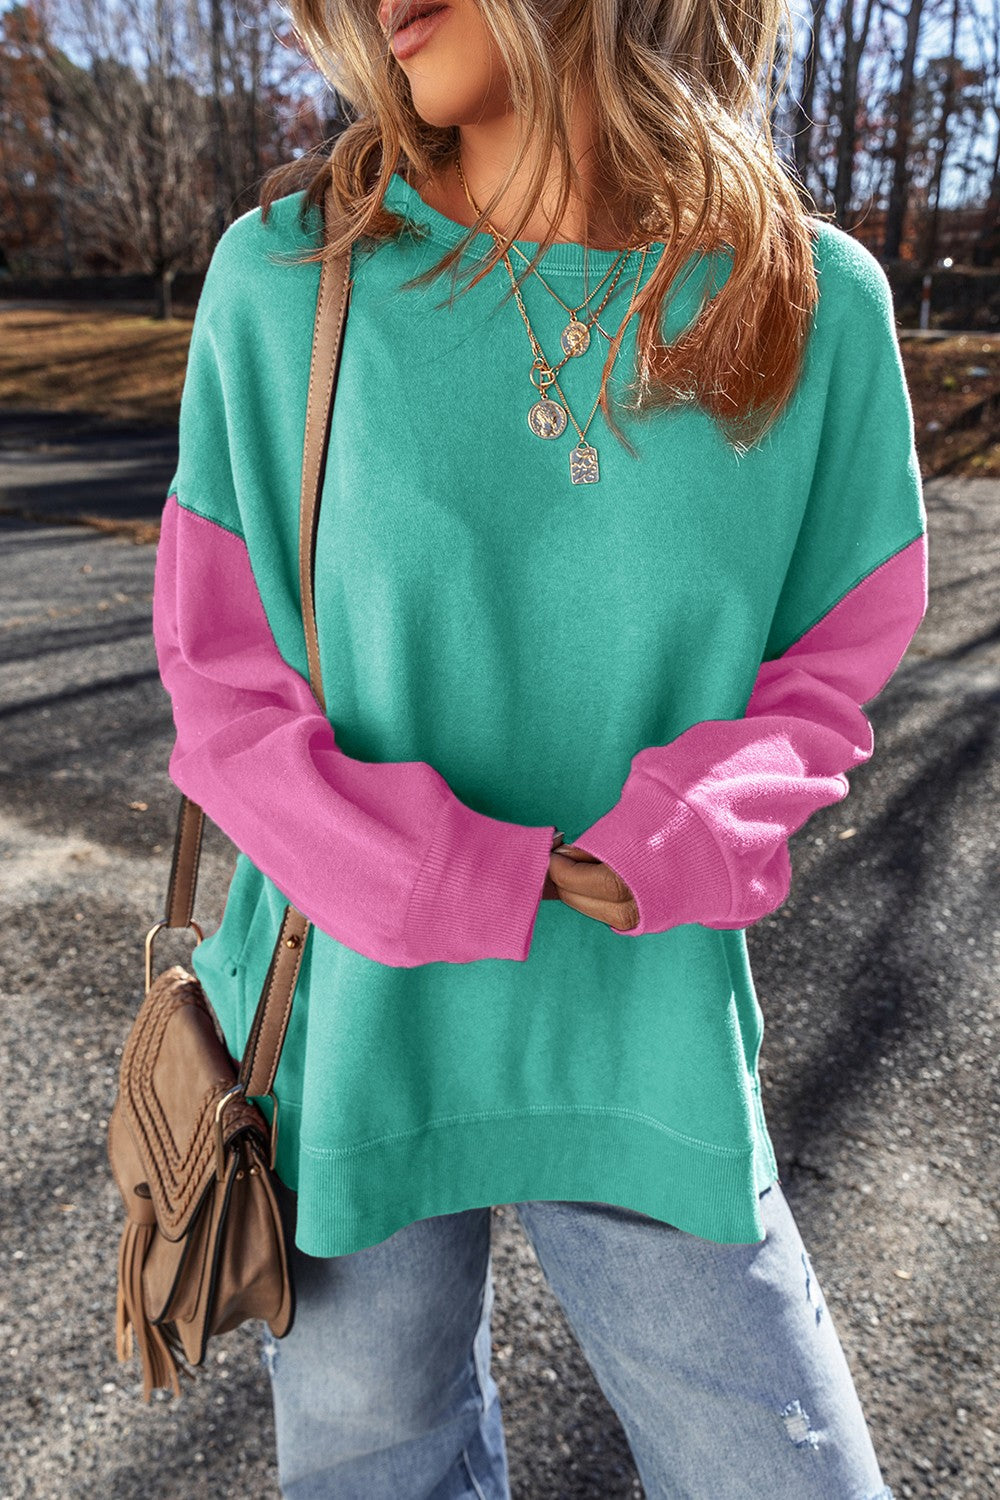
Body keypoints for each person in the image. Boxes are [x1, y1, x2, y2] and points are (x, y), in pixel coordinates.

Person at [151, 0, 926, 1494]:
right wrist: (421, 871)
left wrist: (694, 830)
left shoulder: (810, 303)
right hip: (347, 1028)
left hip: (643, 1027)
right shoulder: (290, 274)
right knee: (378, 1469)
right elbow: (223, 679)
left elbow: (832, 662)